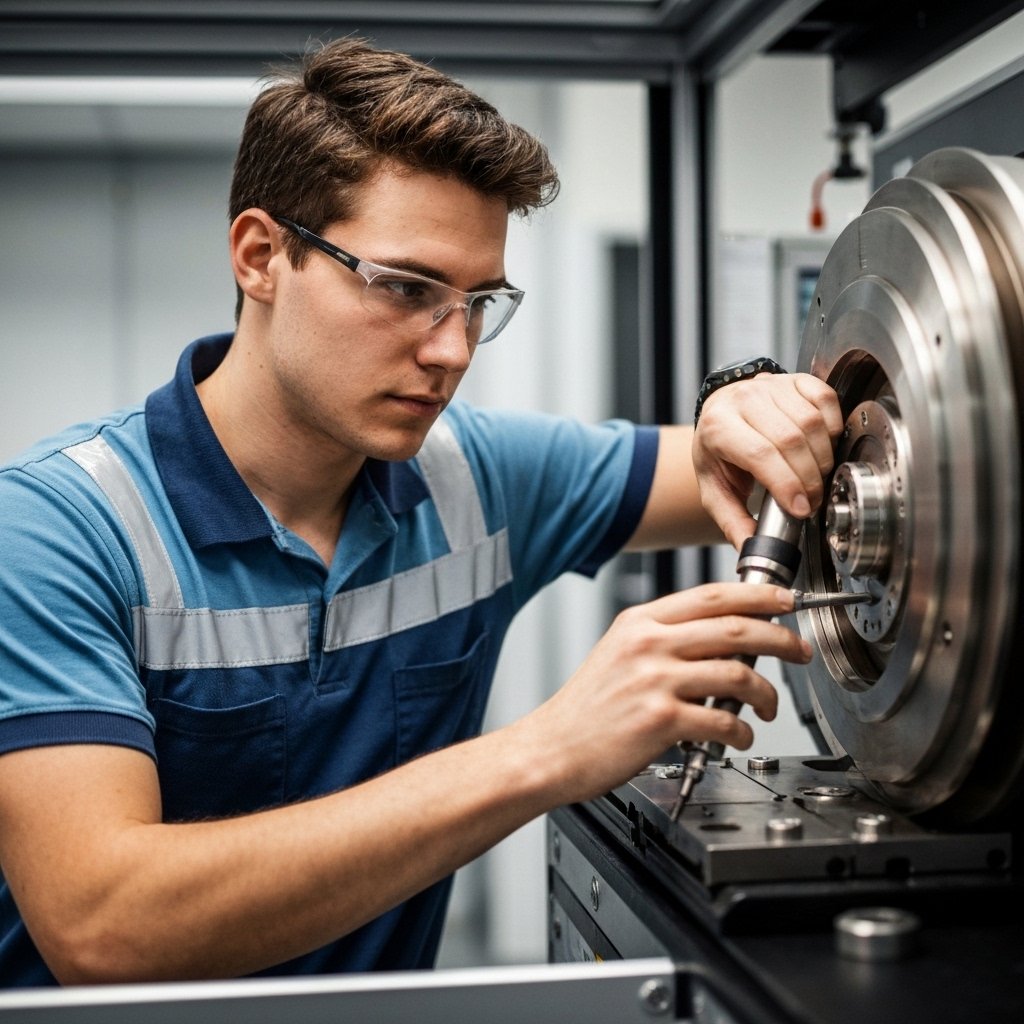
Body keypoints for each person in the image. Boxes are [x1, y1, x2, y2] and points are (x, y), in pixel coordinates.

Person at [0, 38, 841, 986]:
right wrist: (548, 750)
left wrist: (742, 402)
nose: (452, 350)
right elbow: (104, 926)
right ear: (261, 256)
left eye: (480, 302)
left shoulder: (473, 477)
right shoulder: (55, 532)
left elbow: (738, 465)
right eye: (406, 290)